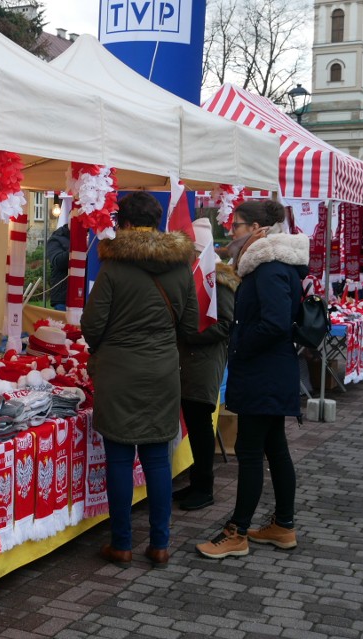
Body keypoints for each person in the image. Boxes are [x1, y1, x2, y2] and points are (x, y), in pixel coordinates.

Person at [81, 192, 199, 568]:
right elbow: (191, 324)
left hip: (118, 371)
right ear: (158, 221)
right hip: (163, 371)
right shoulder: (181, 267)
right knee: (157, 459)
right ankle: (160, 544)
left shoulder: (114, 267)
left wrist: (107, 346)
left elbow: (92, 325)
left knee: (119, 457)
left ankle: (122, 544)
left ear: (126, 224)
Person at [197, 200, 309, 559]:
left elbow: (275, 323)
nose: (232, 231)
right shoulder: (265, 265)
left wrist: (240, 344)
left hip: (265, 371)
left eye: (238, 225)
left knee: (249, 452)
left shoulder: (269, 267)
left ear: (258, 229)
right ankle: (283, 525)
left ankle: (237, 530)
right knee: (274, 448)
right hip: (270, 370)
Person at [175, 218, 240, 511]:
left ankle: (205, 487)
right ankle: (198, 482)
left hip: (204, 362)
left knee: (201, 426)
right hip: (190, 361)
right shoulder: (195, 275)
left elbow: (226, 325)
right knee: (195, 423)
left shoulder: (218, 281)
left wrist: (190, 335)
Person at [47, 222, 70, 311]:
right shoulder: (56, 238)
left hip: (86, 296)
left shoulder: (90, 236)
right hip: (63, 298)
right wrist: (78, 247)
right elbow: (57, 261)